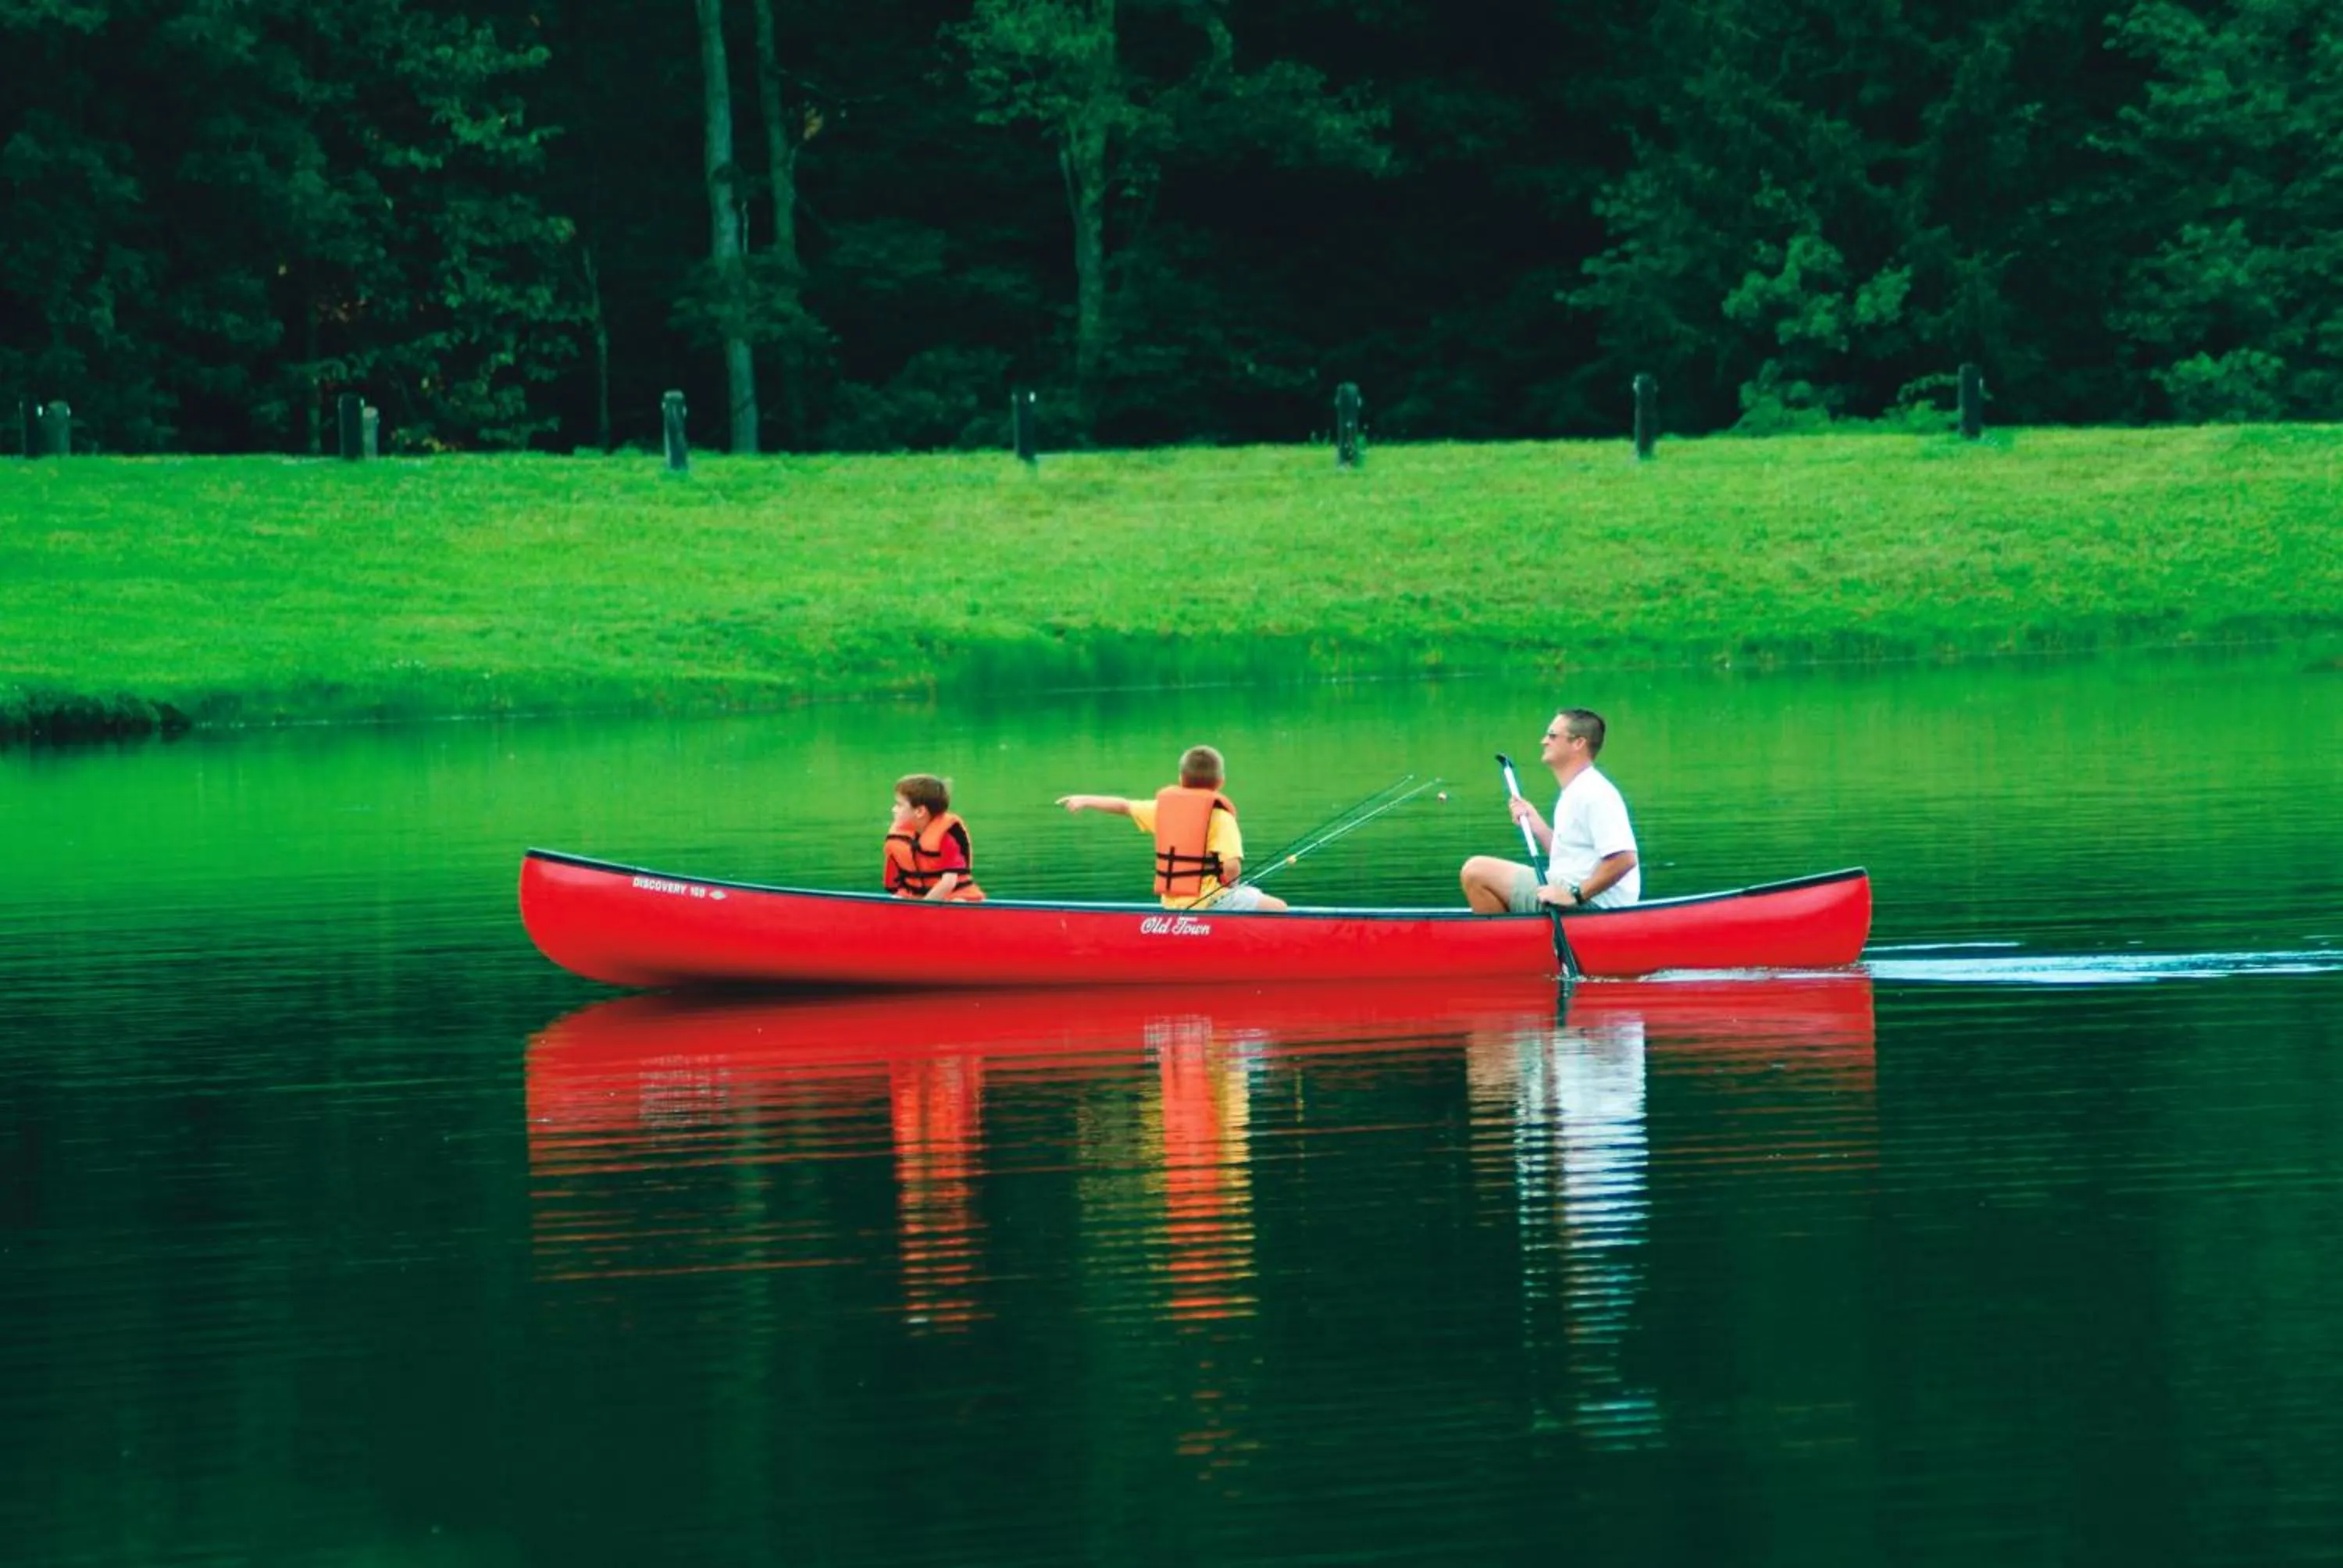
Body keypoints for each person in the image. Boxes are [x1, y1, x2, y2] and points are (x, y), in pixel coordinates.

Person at [1057, 744, 1289, 912]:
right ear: (1220, 783)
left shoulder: (1162, 809)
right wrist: (1231, 885)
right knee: (1279, 908)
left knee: (1251, 893)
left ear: (1181, 778)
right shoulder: (1220, 817)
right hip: (1209, 904)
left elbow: (1125, 806)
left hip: (1172, 904)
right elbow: (1232, 866)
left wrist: (1085, 799)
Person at [1460, 708, 1641, 914]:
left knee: (1476, 871)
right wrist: (1537, 825)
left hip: (1595, 905)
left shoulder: (1595, 793)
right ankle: (1515, 939)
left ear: (1578, 743)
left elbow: (1625, 859)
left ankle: (1505, 943)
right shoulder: (1576, 790)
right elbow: (1569, 858)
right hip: (1576, 894)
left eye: (1552, 736)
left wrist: (1575, 895)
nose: (1544, 741)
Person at [885, 773, 986, 902]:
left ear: (920, 811)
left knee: (957, 902)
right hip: (918, 897)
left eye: (899, 805)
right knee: (897, 898)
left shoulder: (946, 837)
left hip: (953, 896)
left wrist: (924, 907)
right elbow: (896, 883)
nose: (894, 809)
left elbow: (949, 882)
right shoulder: (901, 837)